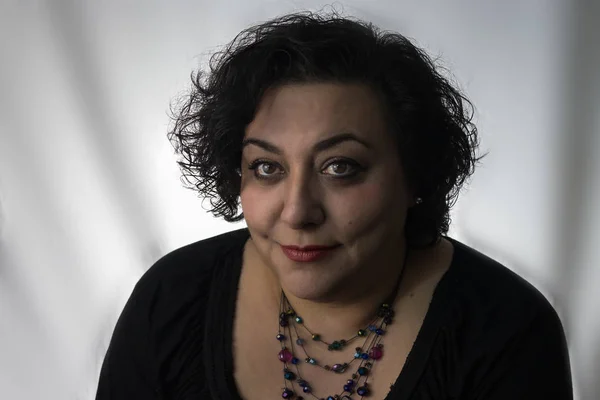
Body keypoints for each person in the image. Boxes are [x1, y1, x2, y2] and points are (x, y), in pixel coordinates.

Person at [95, 9, 573, 400]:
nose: (298, 212)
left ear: (415, 175)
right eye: (266, 167)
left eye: (340, 167)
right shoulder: (170, 299)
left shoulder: (509, 332)